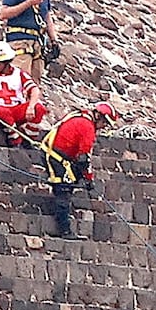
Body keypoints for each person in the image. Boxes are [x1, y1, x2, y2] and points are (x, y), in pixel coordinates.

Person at [41, 102, 116, 239]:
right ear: (98, 116)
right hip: (55, 156)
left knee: (70, 182)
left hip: (61, 155)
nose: (104, 126)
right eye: (104, 122)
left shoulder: (81, 117)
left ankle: (63, 221)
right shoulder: (87, 127)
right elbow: (84, 158)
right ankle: (64, 230)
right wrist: (88, 178)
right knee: (63, 189)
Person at [0, 0, 60, 83]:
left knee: (34, 83)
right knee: (19, 79)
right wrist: (29, 3)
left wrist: (54, 40)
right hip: (19, 41)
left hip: (37, 43)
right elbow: (4, 14)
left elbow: (47, 17)